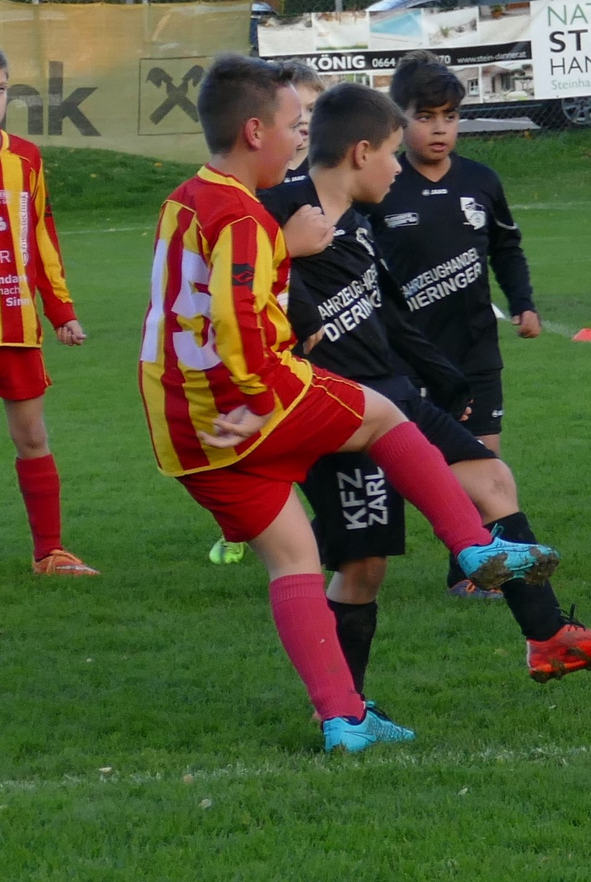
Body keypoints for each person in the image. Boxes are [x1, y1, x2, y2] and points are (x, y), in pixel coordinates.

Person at [138, 54, 560, 753]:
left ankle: (343, 719)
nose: (301, 140)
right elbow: (237, 312)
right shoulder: (245, 215)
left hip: (181, 427)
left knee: (295, 558)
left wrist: (276, 247)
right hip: (244, 400)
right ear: (253, 133)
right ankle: (477, 550)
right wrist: (255, 397)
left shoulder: (186, 198)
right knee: (384, 415)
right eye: (293, 127)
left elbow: (196, 297)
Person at [261, 81, 591, 689]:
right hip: (337, 414)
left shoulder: (357, 220)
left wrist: (442, 373)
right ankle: (339, 703)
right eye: (390, 152)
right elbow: (232, 280)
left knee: (493, 480)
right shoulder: (278, 210)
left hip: (397, 396)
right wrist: (284, 254)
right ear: (361, 152)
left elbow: (383, 309)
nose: (397, 167)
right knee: (362, 569)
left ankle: (547, 640)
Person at [369, 51, 541, 597]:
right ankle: (355, 554)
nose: (439, 128)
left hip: (474, 350)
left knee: (480, 460)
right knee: (418, 467)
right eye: (425, 117)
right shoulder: (383, 186)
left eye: (449, 116)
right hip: (409, 357)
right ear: (399, 121)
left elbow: (507, 248)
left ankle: (469, 572)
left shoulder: (481, 181)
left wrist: (523, 303)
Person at [207, 59, 329, 567]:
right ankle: (247, 523)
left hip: (297, 330)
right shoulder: (256, 195)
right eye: (296, 120)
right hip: (263, 337)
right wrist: (290, 246)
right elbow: (244, 275)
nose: (304, 131)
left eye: (312, 119)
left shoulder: (316, 179)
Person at [0, 49, 94, 576]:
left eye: (2, 87)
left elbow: (41, 236)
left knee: (33, 438)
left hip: (14, 324)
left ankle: (49, 554)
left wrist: (61, 311)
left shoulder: (26, 158)